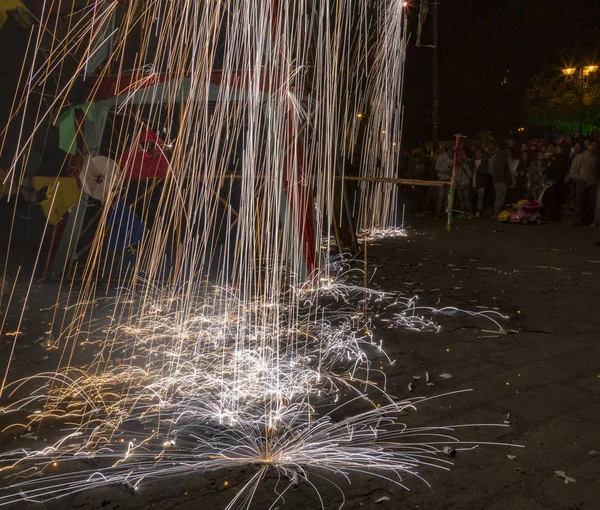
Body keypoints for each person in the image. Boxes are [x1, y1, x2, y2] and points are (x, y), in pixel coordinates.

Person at [568, 140, 597, 225]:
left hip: (592, 182)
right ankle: (578, 220)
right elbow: (573, 170)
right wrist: (579, 177)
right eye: (592, 145)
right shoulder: (580, 157)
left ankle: (587, 219)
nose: (593, 147)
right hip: (582, 181)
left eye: (595, 145)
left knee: (590, 202)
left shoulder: (595, 157)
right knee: (580, 202)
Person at [493, 142, 512, 218]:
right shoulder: (502, 156)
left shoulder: (497, 156)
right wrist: (505, 179)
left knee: (498, 197)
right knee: (500, 198)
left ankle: (496, 213)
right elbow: (502, 169)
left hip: (497, 180)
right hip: (501, 181)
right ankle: (497, 213)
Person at [435, 146, 453, 218]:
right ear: (448, 150)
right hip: (442, 178)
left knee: (447, 197)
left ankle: (445, 212)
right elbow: (436, 167)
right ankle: (438, 212)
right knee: (441, 196)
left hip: (448, 179)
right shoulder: (442, 157)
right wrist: (445, 170)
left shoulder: (452, 158)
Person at [471, 148, 489, 218]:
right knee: (473, 198)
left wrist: (479, 170)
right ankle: (473, 211)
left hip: (481, 183)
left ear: (481, 153)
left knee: (480, 198)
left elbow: (487, 171)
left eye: (478, 152)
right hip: (473, 182)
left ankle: (478, 212)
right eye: (476, 152)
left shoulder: (485, 162)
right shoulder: (472, 161)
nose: (476, 153)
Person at [456, 149, 474, 218]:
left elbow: (472, 168)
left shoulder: (469, 161)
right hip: (459, 182)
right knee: (461, 199)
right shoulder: (459, 162)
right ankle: (463, 212)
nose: (462, 155)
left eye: (463, 153)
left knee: (467, 198)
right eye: (461, 153)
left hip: (466, 182)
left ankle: (470, 213)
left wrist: (466, 160)